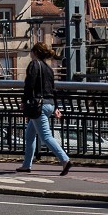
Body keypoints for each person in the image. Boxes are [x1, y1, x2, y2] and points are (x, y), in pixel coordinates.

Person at [17, 42, 73, 175]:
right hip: (49, 104)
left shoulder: (34, 64)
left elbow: (29, 85)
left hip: (38, 105)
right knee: (30, 135)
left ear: (35, 53)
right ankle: (26, 165)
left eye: (32, 51)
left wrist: (24, 101)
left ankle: (65, 160)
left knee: (45, 136)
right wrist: (56, 107)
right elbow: (53, 89)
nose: (30, 53)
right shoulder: (48, 68)